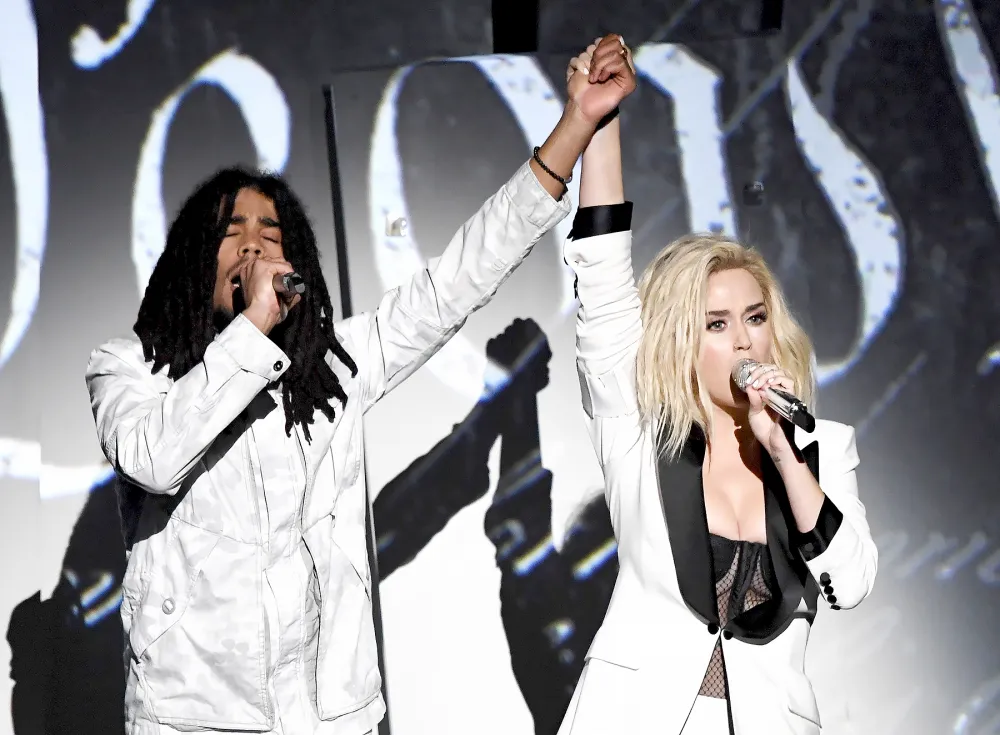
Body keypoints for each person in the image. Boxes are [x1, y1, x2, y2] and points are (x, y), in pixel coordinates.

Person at [84, 36, 636, 735]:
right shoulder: (129, 366)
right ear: (196, 254)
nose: (254, 246)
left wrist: (576, 126)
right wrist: (252, 328)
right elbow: (154, 458)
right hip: (189, 719)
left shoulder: (335, 364)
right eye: (232, 232)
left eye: (271, 233)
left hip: (327, 717)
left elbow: (454, 282)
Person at [556, 38, 878, 735]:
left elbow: (849, 583)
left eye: (756, 317)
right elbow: (604, 282)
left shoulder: (823, 449)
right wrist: (599, 122)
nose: (744, 339)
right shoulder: (640, 430)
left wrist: (788, 455)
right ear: (682, 338)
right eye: (718, 323)